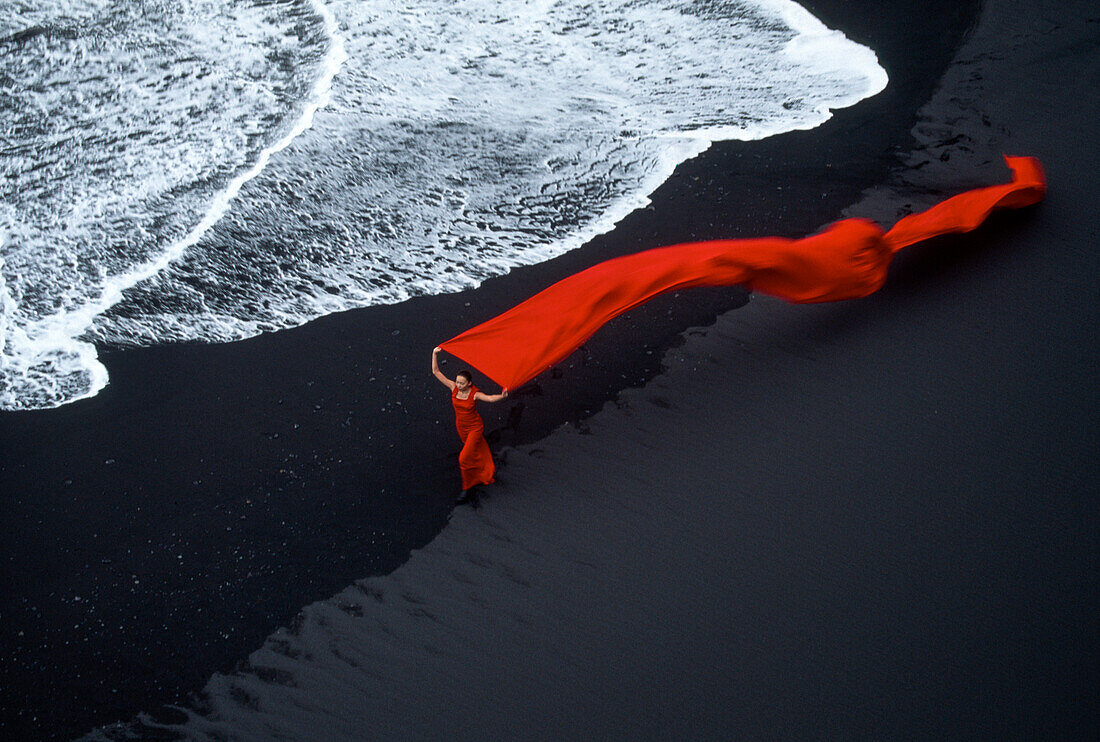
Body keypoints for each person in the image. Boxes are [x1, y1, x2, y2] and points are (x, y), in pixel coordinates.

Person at [432, 347, 508, 502]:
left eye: (462, 383)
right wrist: (434, 354)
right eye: (458, 382)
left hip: (474, 427)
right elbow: (436, 372)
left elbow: (490, 398)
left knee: (463, 459)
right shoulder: (453, 387)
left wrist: (502, 395)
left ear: (469, 383)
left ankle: (467, 488)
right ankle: (481, 468)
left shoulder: (474, 394)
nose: (458, 385)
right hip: (461, 427)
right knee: (472, 450)